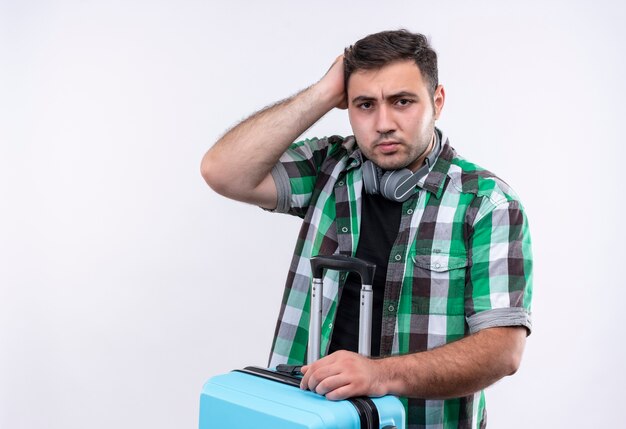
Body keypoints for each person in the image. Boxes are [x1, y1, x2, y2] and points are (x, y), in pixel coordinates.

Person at [201, 29, 533, 428]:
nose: (383, 123)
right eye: (364, 105)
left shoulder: (487, 203)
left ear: (437, 102)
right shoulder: (328, 166)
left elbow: (502, 351)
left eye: (402, 102)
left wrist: (379, 374)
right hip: (308, 417)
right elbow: (222, 171)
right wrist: (323, 93)